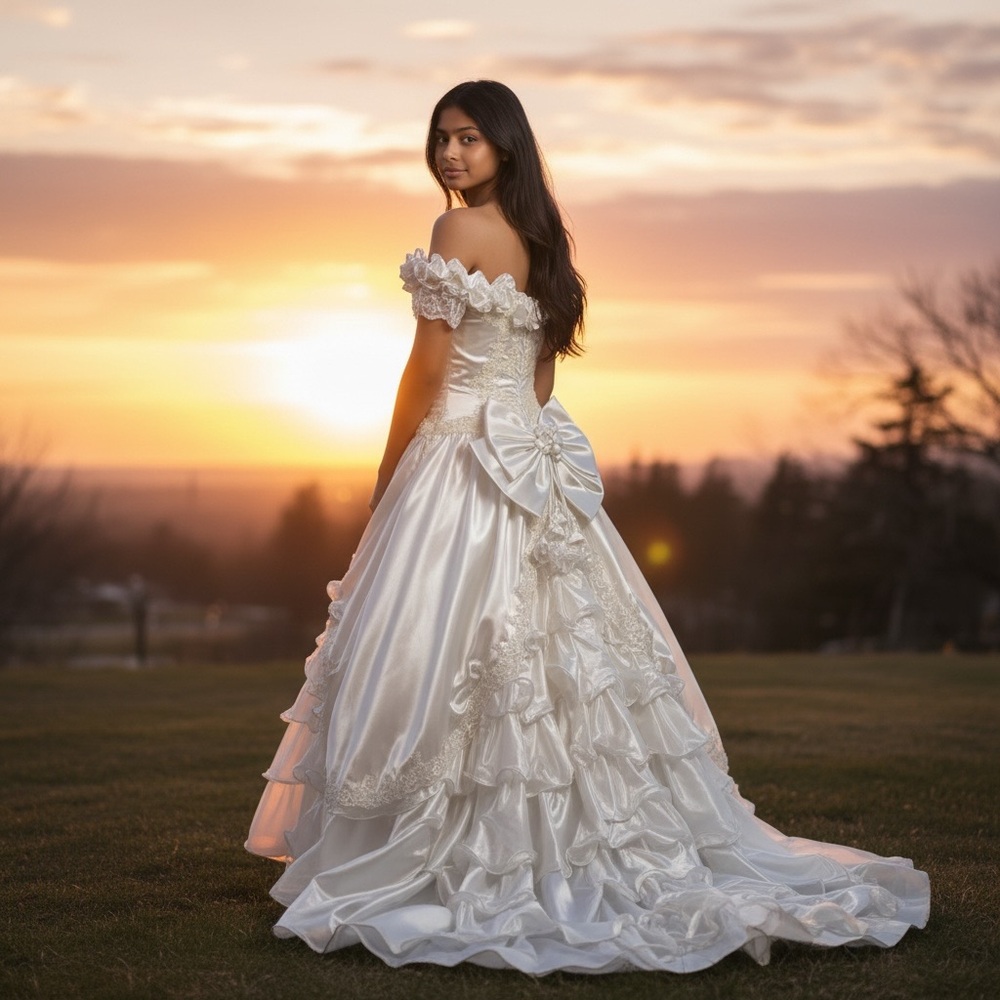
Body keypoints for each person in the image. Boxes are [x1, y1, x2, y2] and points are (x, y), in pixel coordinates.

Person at [245, 80, 929, 974]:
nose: (451, 156)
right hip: (525, 455)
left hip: (459, 457)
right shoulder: (541, 244)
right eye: (442, 139)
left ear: (506, 149)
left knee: (445, 653)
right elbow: (536, 387)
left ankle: (451, 851)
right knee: (563, 664)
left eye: (470, 140)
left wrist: (388, 479)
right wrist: (515, 442)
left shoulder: (454, 231)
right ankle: (566, 840)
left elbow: (424, 370)